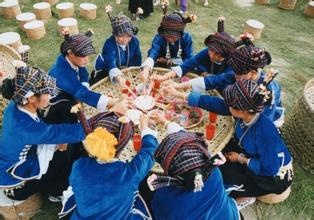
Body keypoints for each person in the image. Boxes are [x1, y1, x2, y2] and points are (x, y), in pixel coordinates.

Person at [170, 80, 293, 207]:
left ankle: (245, 198)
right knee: (214, 159)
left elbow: (270, 169)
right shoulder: (246, 111)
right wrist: (185, 97)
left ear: (243, 111)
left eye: (230, 105)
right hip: (252, 154)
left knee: (223, 179)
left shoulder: (265, 132)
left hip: (271, 176)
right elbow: (216, 104)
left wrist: (240, 158)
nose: (227, 106)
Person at [0, 63, 86, 202]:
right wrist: (99, 122)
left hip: (15, 155)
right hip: (18, 181)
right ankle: (56, 190)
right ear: (31, 98)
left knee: (65, 142)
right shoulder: (25, 128)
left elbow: (48, 132)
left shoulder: (16, 104)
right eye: (46, 92)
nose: (51, 94)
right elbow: (58, 132)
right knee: (68, 152)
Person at [59, 113, 159, 219]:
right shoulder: (130, 173)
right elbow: (149, 153)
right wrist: (145, 129)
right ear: (123, 145)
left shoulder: (78, 165)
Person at [163, 41, 285, 127]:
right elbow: (212, 81)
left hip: (263, 121)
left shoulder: (267, 91)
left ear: (254, 71)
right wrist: (178, 86)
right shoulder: (240, 74)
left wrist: (184, 96)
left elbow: (226, 106)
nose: (234, 76)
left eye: (237, 74)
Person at [145, 110, 240, 219]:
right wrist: (165, 122)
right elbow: (188, 142)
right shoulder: (214, 172)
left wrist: (148, 129)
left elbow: (158, 213)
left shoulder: (163, 196)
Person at [45, 29, 116, 125]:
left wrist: (85, 86)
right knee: (72, 116)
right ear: (70, 53)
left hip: (72, 94)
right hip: (59, 105)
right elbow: (83, 94)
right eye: (83, 56)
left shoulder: (73, 61)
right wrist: (112, 101)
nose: (87, 60)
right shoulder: (60, 72)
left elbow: (83, 73)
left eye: (88, 56)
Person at [149, 16, 236, 81]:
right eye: (211, 50)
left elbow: (222, 81)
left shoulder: (233, 63)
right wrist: (164, 77)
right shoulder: (206, 52)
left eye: (217, 54)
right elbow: (189, 63)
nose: (212, 55)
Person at [140, 2, 195, 81]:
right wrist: (146, 68)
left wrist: (175, 66)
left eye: (174, 37)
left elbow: (189, 58)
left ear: (180, 35)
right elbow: (153, 52)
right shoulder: (159, 37)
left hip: (180, 67)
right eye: (168, 36)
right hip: (160, 66)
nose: (170, 39)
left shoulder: (186, 38)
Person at [90, 6, 142, 85]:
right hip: (106, 73)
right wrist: (118, 77)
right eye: (121, 36)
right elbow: (110, 62)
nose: (125, 39)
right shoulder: (109, 44)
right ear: (115, 34)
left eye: (128, 36)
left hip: (126, 73)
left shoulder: (134, 41)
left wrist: (132, 73)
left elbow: (137, 59)